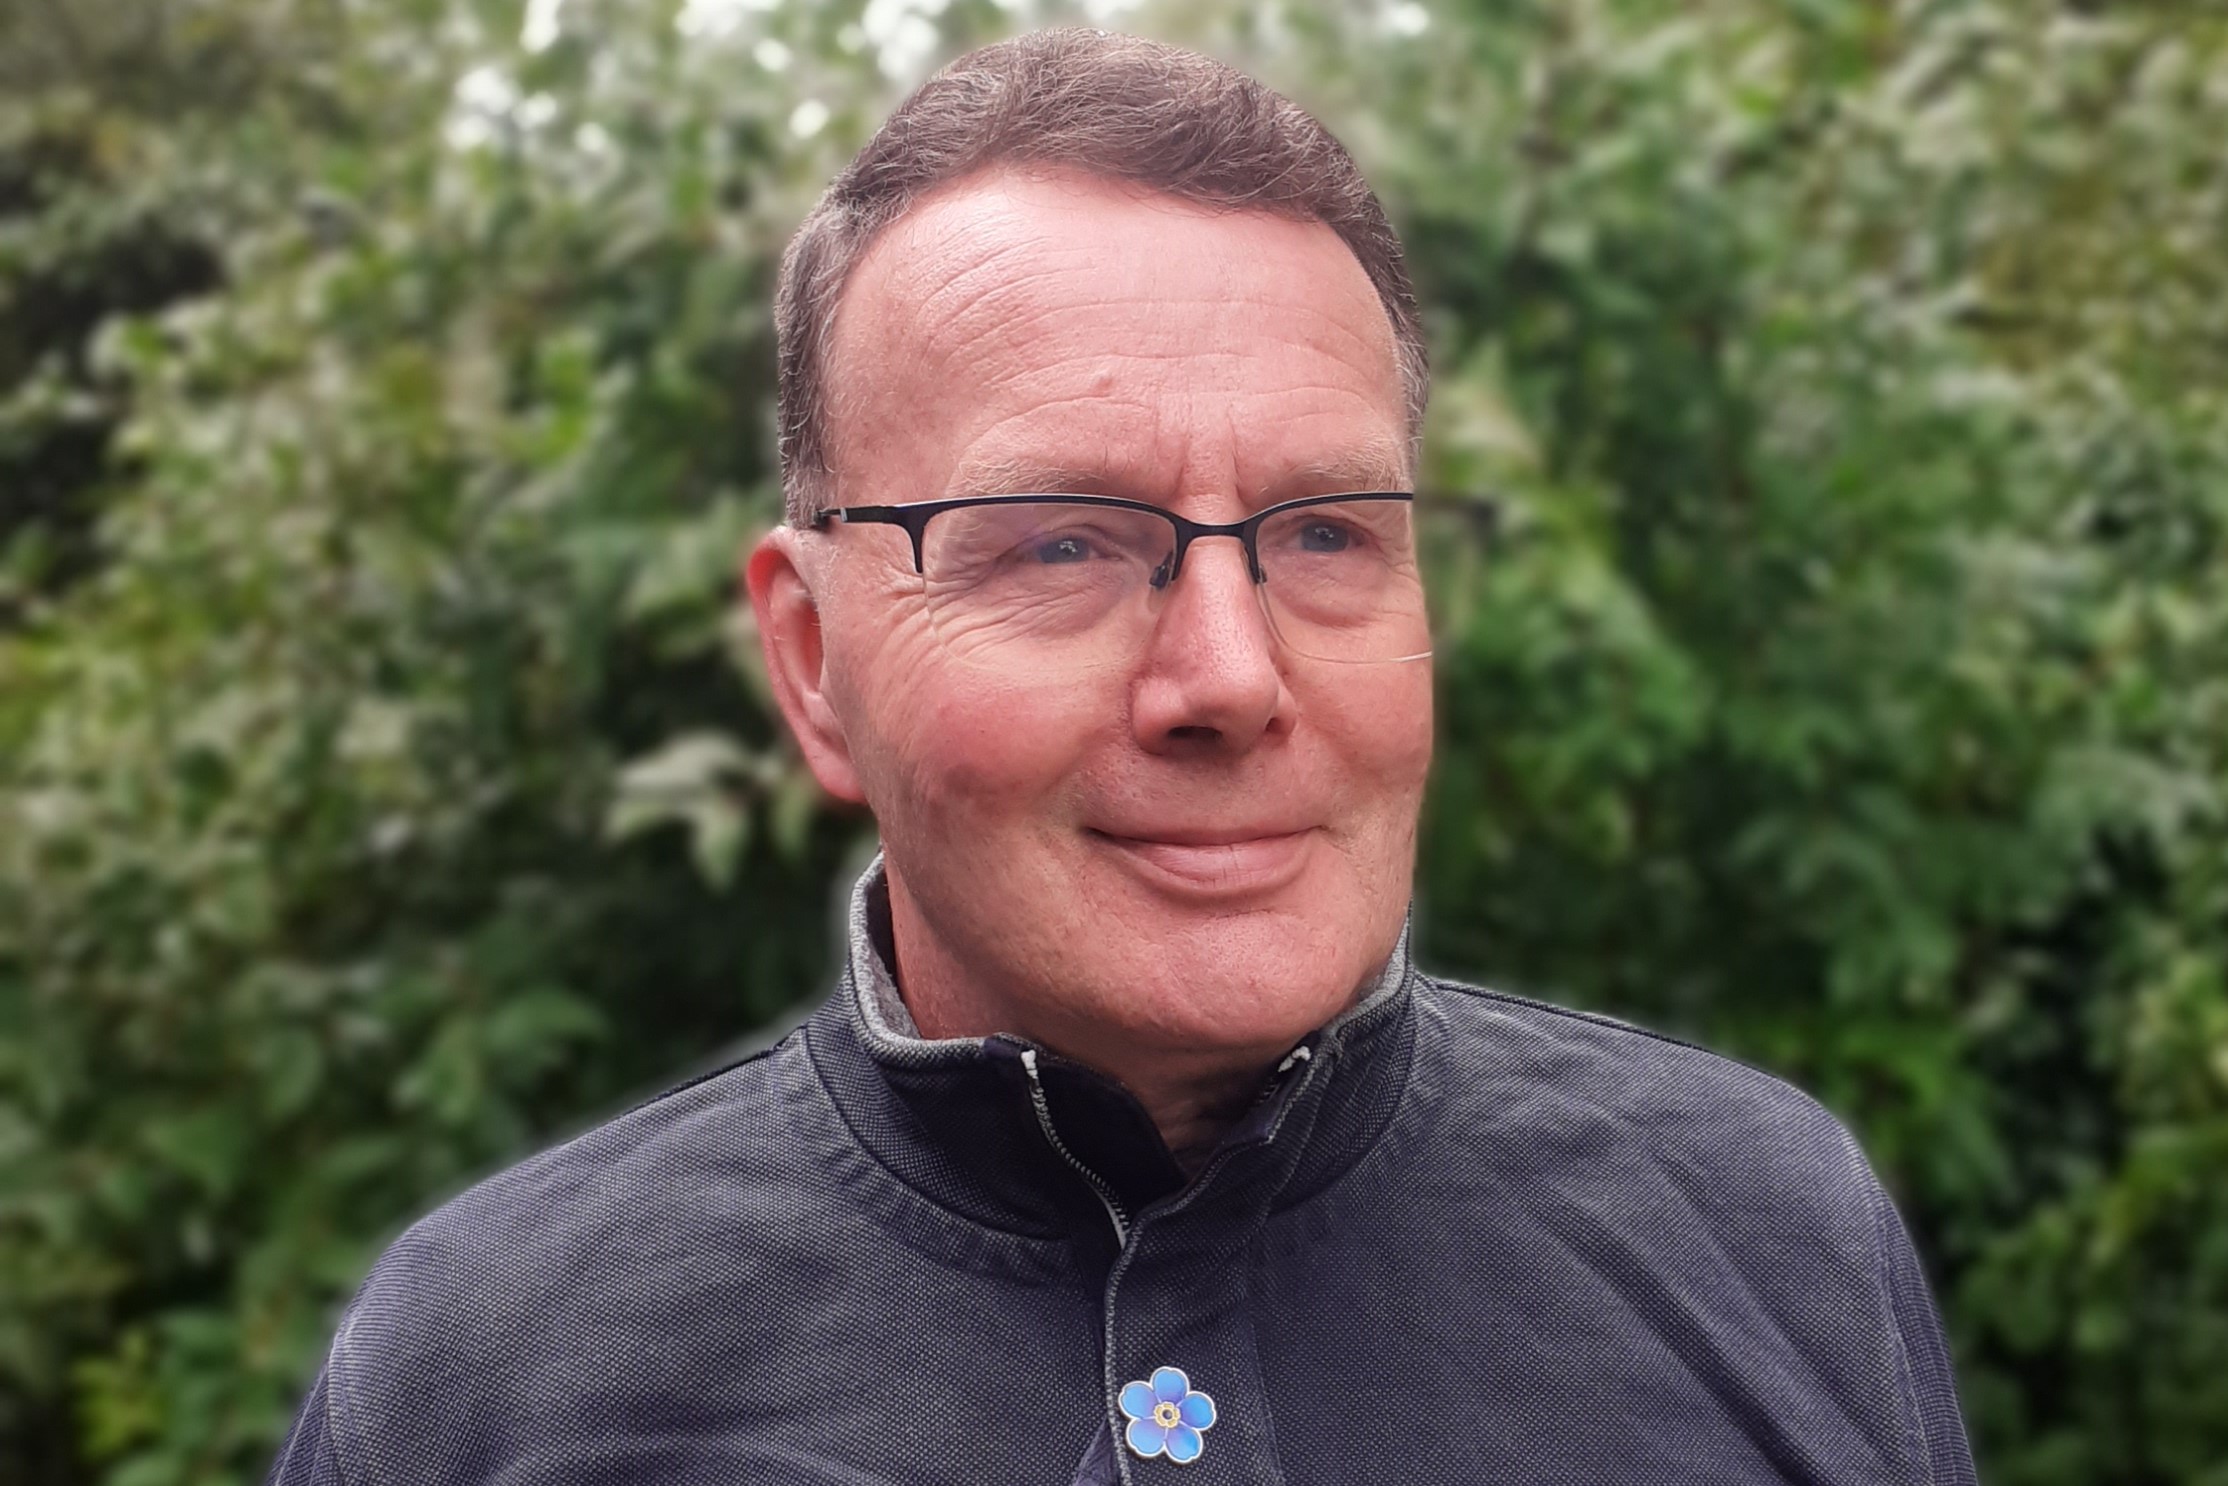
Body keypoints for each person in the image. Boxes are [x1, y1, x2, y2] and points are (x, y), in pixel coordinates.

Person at [266, 29, 1975, 1486]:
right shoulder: (487, 1378)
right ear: (811, 661)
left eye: (1323, 533)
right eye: (1063, 545)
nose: (1228, 677)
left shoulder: (1772, 1238)